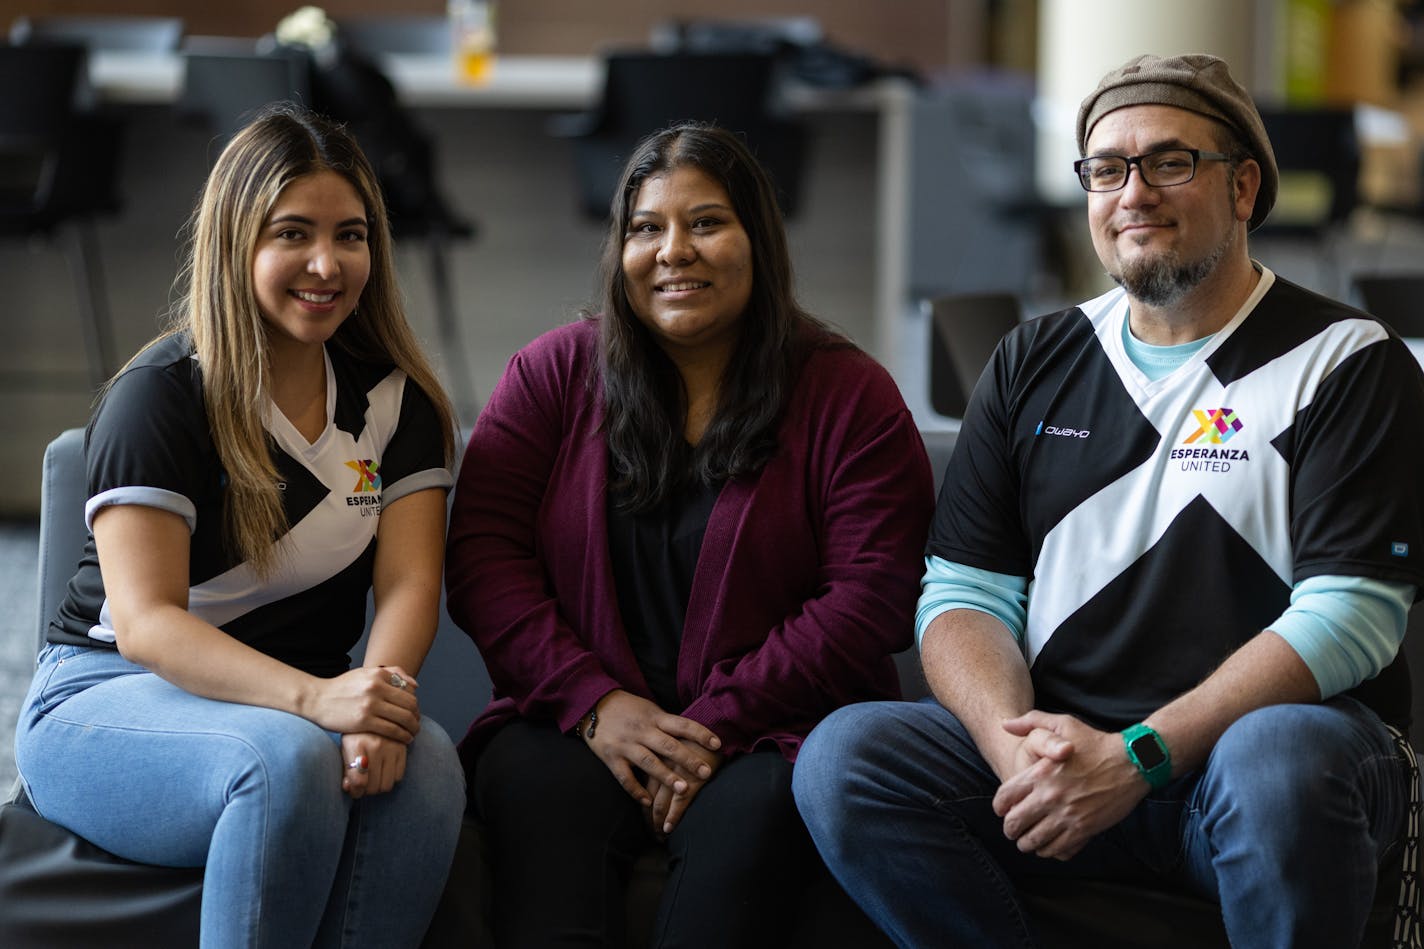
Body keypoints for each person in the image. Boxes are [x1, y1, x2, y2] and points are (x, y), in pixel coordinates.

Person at [793, 52, 1424, 948]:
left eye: (1171, 161)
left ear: (1244, 187)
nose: (1133, 192)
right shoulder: (1030, 359)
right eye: (1106, 168)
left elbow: (1354, 614)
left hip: (1251, 772)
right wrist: (1017, 751)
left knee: (1278, 757)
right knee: (846, 758)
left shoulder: (1347, 361)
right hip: (1062, 762)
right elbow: (964, 595)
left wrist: (1138, 756)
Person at [445, 122, 934, 947]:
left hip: (778, 730)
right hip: (574, 719)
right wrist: (595, 703)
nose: (674, 250)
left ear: (758, 240)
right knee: (536, 795)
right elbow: (484, 559)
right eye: (646, 227)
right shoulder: (551, 375)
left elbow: (871, 595)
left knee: (748, 836)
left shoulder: (849, 393)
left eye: (706, 222)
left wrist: (714, 723)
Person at [13, 103, 466, 948]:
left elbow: (411, 582)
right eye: (292, 233)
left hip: (298, 708)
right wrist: (318, 699)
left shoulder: (399, 403)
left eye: (352, 235)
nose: (327, 264)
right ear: (237, 243)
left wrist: (375, 702)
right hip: (102, 698)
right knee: (284, 761)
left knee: (428, 762)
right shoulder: (161, 395)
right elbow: (147, 625)